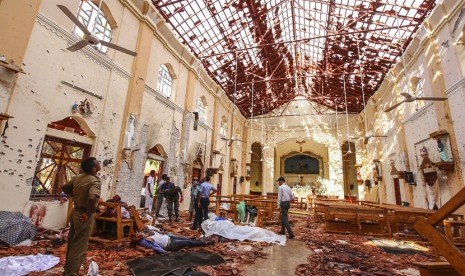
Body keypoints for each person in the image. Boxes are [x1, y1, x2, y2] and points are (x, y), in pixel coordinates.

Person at [61, 157, 101, 276]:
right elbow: (92, 197)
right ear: (94, 169)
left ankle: (67, 271)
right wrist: (88, 213)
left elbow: (64, 187)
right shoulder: (94, 181)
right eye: (98, 163)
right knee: (79, 246)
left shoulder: (78, 177)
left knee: (72, 243)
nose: (99, 164)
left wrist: (75, 196)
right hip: (84, 215)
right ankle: (71, 273)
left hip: (75, 212)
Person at [132, 225, 213, 254]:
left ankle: (200, 240)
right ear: (137, 240)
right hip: (170, 244)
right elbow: (154, 247)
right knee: (187, 242)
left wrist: (160, 231)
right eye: (136, 237)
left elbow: (151, 228)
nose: (138, 235)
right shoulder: (144, 241)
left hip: (168, 237)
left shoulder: (144, 231)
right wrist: (164, 252)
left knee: (185, 238)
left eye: (136, 234)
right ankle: (205, 243)